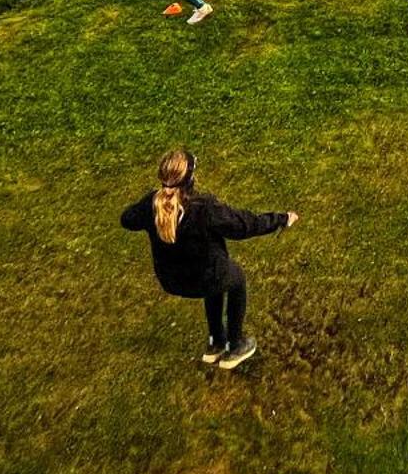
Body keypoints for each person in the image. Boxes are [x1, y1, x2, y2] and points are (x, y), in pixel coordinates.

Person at [119, 148, 298, 369]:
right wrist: (281, 219)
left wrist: (151, 203)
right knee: (236, 279)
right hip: (205, 277)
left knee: (217, 279)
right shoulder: (203, 208)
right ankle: (236, 344)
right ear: (190, 179)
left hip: (172, 280)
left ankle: (216, 342)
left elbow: (127, 219)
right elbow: (243, 225)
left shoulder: (151, 205)